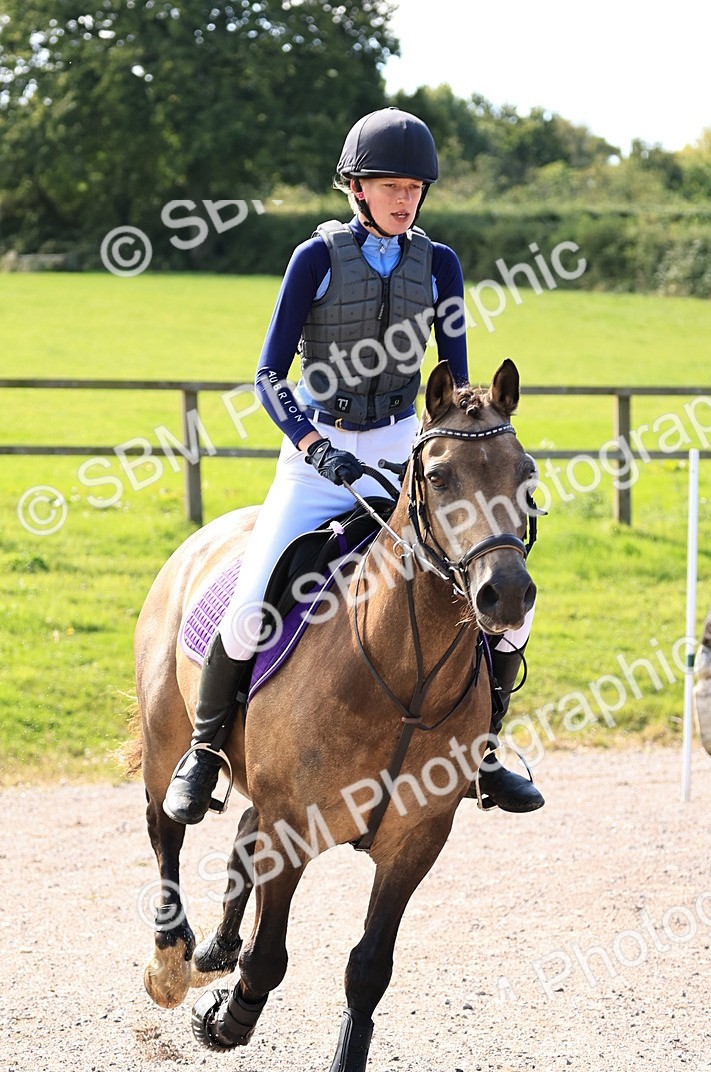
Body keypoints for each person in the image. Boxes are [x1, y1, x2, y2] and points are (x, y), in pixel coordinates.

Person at [163, 107, 543, 826]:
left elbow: (454, 384)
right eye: (390, 185)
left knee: (498, 607)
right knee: (249, 610)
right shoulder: (313, 259)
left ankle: (483, 749)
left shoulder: (442, 265)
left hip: (406, 447)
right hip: (317, 451)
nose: (406, 199)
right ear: (356, 188)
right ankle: (207, 750)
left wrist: (468, 432)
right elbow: (270, 374)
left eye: (415, 187)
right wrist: (312, 445)